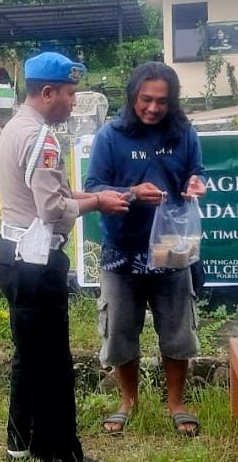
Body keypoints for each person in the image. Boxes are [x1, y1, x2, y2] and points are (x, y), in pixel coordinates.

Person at [0, 52, 130, 462]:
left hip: (11, 253)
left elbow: (46, 194)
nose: (74, 101)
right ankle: (61, 461)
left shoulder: (14, 127)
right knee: (53, 363)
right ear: (47, 92)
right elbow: (52, 208)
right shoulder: (43, 138)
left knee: (28, 354)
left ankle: (21, 440)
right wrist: (98, 201)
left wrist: (88, 195)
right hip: (36, 261)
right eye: (69, 93)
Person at [84, 62, 206, 438]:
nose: (153, 108)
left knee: (176, 331)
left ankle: (176, 403)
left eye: (162, 102)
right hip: (122, 249)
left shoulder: (183, 133)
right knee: (120, 332)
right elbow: (93, 188)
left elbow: (197, 171)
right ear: (133, 97)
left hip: (172, 248)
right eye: (146, 100)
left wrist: (197, 182)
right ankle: (128, 402)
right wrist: (132, 193)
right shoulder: (111, 135)